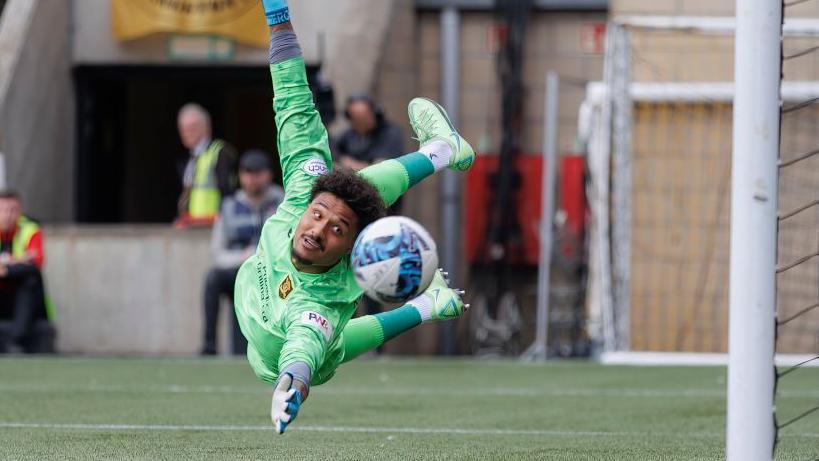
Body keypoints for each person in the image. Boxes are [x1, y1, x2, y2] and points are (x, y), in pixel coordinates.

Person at [233, 0, 476, 434]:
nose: (319, 228)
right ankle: (443, 150)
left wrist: (292, 385)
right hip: (269, 320)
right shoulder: (300, 197)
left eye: (337, 230)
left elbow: (302, 347)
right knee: (350, 187)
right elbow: (292, 103)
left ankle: (426, 305)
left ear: (352, 248)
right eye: (318, 215)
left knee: (329, 343)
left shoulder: (317, 304)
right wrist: (277, 18)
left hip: (272, 357)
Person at [202, 150, 284, 356]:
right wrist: (243, 257)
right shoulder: (229, 206)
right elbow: (217, 253)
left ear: (268, 175)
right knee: (213, 278)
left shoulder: (284, 201)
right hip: (241, 271)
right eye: (247, 173)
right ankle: (209, 346)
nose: (252, 179)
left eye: (257, 173)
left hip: (275, 273)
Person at [0, 191, 51, 353]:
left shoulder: (30, 230)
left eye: (13, 210)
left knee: (31, 280)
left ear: (20, 211)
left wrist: (6, 269)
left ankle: (16, 341)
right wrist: (19, 259)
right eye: (3, 210)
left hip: (23, 300)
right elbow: (27, 259)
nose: (8, 215)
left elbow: (35, 263)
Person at [176, 103, 238, 227]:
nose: (186, 133)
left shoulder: (220, 153)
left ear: (206, 127)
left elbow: (229, 193)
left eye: (192, 128)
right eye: (183, 129)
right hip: (193, 224)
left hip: (214, 226)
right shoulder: (189, 158)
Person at [332, 93, 405, 173]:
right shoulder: (350, 135)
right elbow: (333, 151)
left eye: (364, 118)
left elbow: (381, 170)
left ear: (375, 113)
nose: (361, 123)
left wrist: (349, 164)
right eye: (356, 119)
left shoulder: (390, 133)